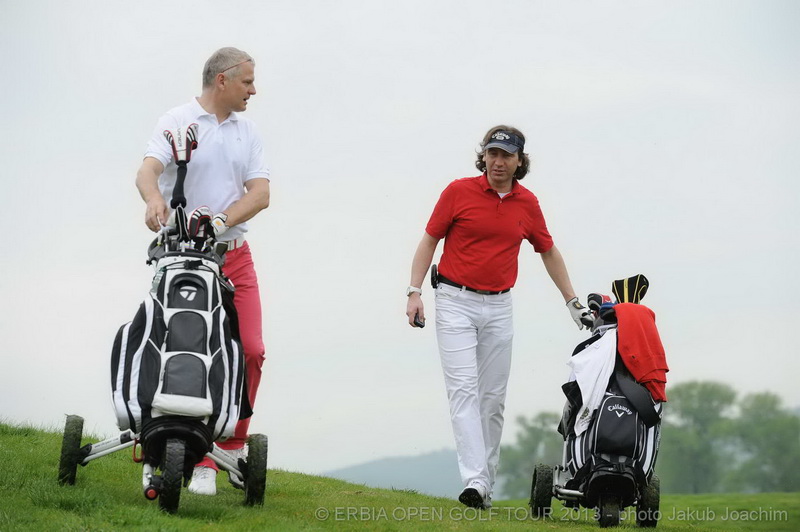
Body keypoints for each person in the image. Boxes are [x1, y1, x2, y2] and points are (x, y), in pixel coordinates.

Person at [405, 125, 591, 509]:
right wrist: (414, 291)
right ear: (484, 156)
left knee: (492, 399)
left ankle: (484, 485)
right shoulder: (458, 192)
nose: (498, 161)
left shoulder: (527, 203)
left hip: (499, 306)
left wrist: (572, 301)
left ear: (520, 161)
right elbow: (430, 240)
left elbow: (548, 250)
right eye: (492, 153)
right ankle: (475, 481)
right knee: (463, 391)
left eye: (506, 155)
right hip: (454, 301)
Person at [135, 47, 270, 496]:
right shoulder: (177, 120)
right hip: (181, 260)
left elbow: (260, 193)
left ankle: (229, 445)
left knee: (250, 350)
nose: (254, 90)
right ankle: (173, 447)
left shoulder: (248, 131)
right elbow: (148, 171)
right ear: (222, 80)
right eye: (247, 81)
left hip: (233, 256)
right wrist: (155, 199)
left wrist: (221, 221)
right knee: (179, 348)